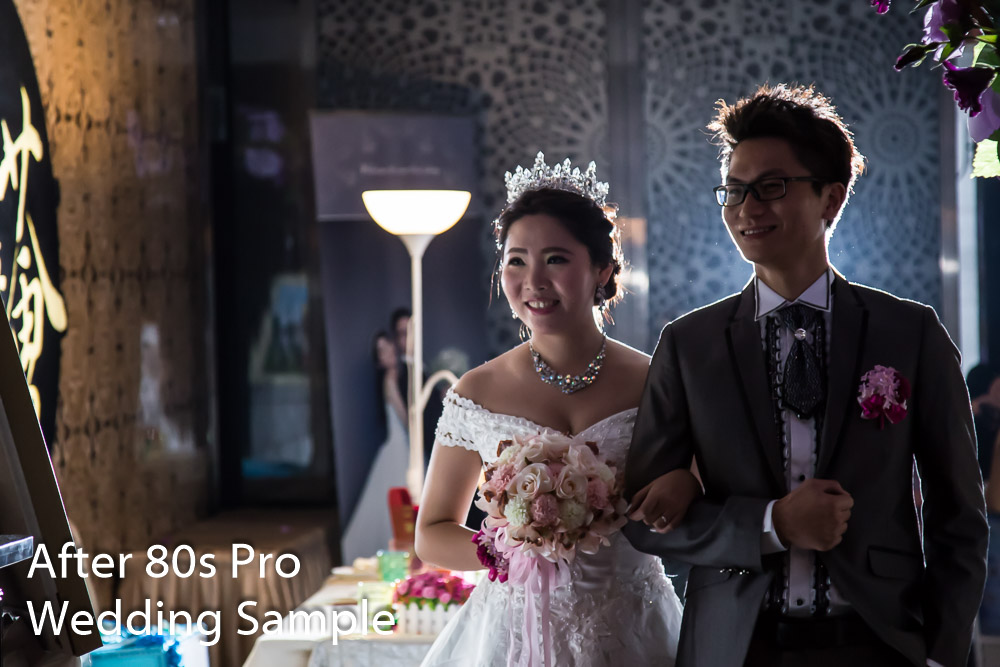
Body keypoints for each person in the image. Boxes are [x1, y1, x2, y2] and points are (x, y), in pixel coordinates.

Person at [624, 83, 988, 667]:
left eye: (771, 187)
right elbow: (643, 522)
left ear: (830, 199)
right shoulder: (689, 344)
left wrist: (942, 653)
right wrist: (772, 524)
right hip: (735, 649)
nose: (748, 208)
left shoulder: (909, 333)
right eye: (735, 190)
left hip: (881, 644)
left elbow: (959, 515)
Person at [415, 153, 693, 665]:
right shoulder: (478, 391)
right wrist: (511, 546)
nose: (534, 281)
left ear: (602, 269)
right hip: (513, 634)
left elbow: (701, 496)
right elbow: (432, 533)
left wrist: (685, 489)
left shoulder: (657, 381)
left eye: (556, 259)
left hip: (634, 628)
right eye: (517, 260)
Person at [341, 331, 410, 563]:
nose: (387, 353)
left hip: (401, 447)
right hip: (399, 448)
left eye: (388, 347)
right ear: (379, 359)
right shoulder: (390, 379)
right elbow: (406, 419)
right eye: (381, 351)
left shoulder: (401, 375)